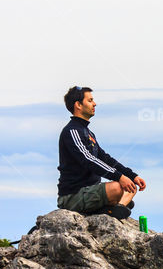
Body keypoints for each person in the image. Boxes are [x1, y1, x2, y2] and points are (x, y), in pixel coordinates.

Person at [57, 86, 146, 219]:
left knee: (130, 186)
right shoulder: (72, 131)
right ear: (78, 105)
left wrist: (132, 176)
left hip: (90, 191)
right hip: (72, 195)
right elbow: (88, 159)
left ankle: (112, 208)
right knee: (118, 188)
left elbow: (104, 158)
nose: (95, 104)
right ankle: (116, 210)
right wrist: (119, 177)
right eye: (90, 100)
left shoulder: (88, 133)